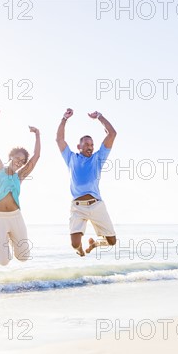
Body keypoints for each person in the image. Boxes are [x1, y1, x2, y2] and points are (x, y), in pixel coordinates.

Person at [56, 108, 117, 256]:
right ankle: (81, 250)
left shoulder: (98, 158)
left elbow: (112, 134)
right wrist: (64, 118)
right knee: (74, 243)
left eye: (92, 145)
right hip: (78, 207)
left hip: (96, 204)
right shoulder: (71, 158)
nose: (90, 147)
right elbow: (59, 139)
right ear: (79, 146)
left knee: (112, 241)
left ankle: (94, 244)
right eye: (87, 144)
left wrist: (100, 117)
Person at [0, 108, 40, 265]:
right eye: (17, 158)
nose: (19, 161)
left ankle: (11, 238)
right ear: (11, 156)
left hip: (15, 216)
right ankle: (2, 243)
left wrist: (37, 135)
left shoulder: (20, 176)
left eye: (22, 161)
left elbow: (36, 157)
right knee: (3, 262)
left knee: (23, 257)